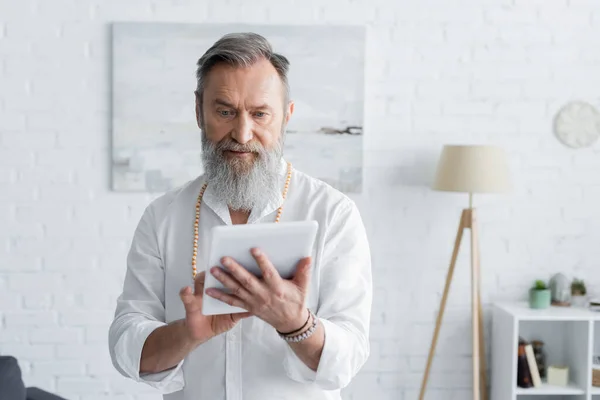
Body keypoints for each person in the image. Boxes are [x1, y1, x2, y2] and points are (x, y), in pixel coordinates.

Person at [108, 32, 372, 400]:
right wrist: (189, 332)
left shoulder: (332, 213)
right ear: (199, 111)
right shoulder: (162, 216)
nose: (242, 133)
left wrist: (295, 323)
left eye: (260, 113)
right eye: (225, 111)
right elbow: (126, 345)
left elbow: (349, 357)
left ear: (286, 117)